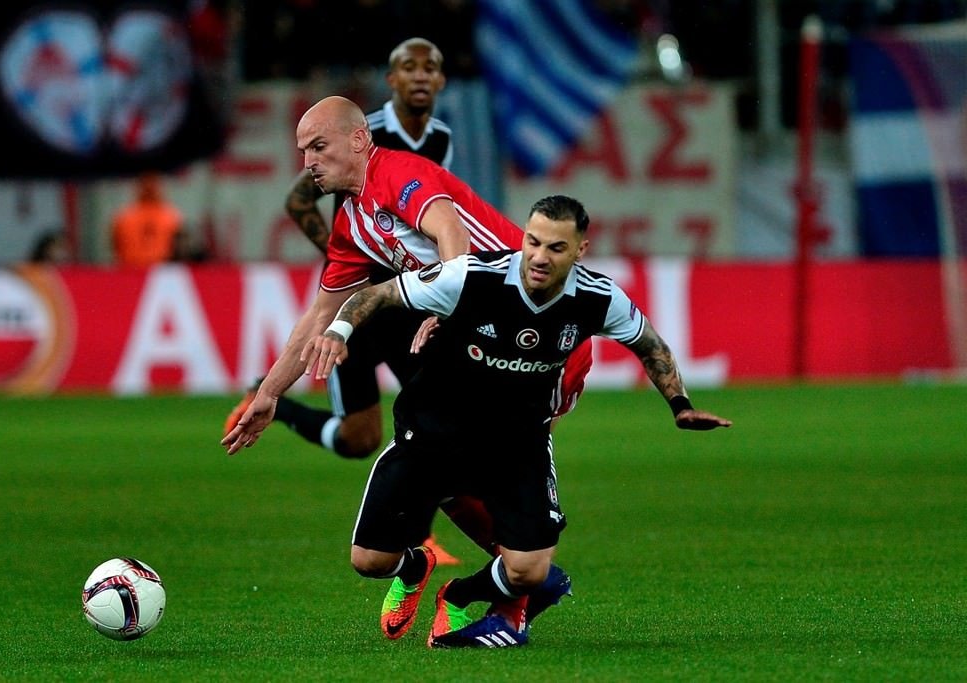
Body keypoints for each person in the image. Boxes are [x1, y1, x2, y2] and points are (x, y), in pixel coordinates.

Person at [224, 195, 732, 648]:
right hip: (433, 433)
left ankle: (460, 594)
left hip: (517, 440)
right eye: (532, 241)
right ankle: (415, 564)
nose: (538, 256)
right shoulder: (473, 277)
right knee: (369, 562)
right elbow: (374, 295)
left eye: (556, 248)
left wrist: (679, 404)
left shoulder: (598, 298)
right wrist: (337, 331)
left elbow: (650, 344)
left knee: (531, 570)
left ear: (580, 251)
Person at [223, 96, 591, 641]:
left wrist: (450, 313)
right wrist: (271, 394)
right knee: (443, 465)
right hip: (477, 344)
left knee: (497, 466)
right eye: (302, 151)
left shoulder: (398, 174)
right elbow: (320, 317)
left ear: (357, 140)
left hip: (542, 341)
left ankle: (511, 594)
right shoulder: (352, 223)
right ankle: (481, 578)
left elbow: (452, 237)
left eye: (318, 147)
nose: (308, 161)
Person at [110, 173, 184, 267]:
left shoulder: (173, 217)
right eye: (145, 181)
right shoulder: (123, 217)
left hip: (162, 274)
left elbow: (178, 251)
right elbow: (116, 248)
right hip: (130, 272)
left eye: (153, 182)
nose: (149, 186)